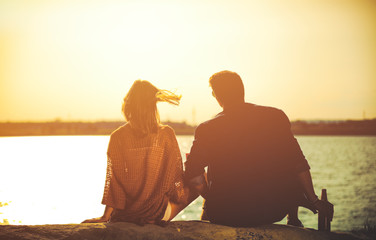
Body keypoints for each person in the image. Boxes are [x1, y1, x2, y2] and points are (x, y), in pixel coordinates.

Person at [184, 70, 333, 227]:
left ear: (216, 96)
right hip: (272, 210)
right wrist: (314, 200)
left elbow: (194, 177)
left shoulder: (207, 129)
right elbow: (298, 163)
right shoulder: (275, 116)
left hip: (226, 213)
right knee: (287, 155)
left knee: (209, 166)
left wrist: (213, 197)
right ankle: (293, 218)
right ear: (242, 90)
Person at [83, 80, 196, 225]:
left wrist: (105, 217)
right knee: (201, 179)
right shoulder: (166, 134)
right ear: (152, 106)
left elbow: (115, 184)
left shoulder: (117, 136)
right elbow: (175, 178)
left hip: (127, 214)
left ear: (129, 105)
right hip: (156, 214)